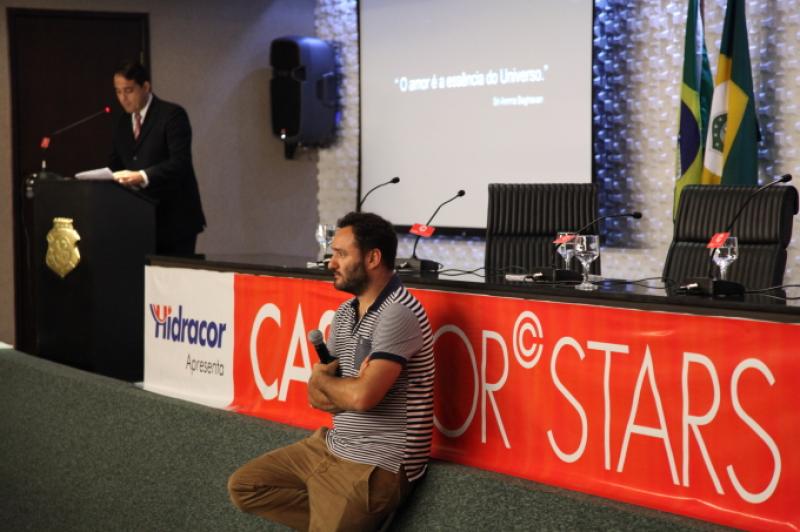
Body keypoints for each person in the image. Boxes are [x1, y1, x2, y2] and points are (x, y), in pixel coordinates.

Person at [228, 212, 435, 531]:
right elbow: (318, 398)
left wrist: (333, 383)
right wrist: (338, 385)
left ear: (373, 258)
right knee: (245, 487)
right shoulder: (344, 313)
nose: (331, 263)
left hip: (378, 462)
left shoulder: (398, 313)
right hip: (332, 444)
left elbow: (362, 397)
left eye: (341, 254)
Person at [109, 60, 206, 255]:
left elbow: (180, 163)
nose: (123, 98)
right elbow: (115, 164)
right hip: (140, 220)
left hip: (175, 220)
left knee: (172, 274)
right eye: (118, 92)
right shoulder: (122, 123)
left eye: (128, 91)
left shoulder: (171, 115)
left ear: (145, 87)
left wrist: (142, 176)